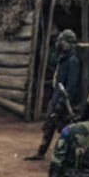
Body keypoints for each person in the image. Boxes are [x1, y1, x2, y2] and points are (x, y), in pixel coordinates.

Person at [24, 29, 82, 161]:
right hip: (56, 98)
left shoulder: (73, 60)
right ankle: (41, 152)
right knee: (49, 126)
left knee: (65, 129)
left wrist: (62, 102)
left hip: (65, 101)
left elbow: (72, 84)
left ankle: (71, 156)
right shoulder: (62, 58)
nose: (59, 43)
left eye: (62, 41)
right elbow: (52, 61)